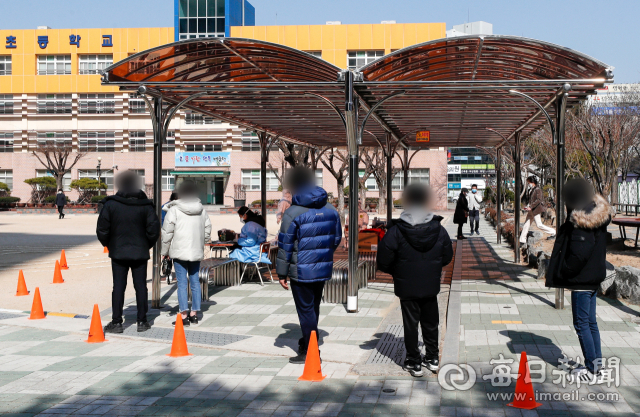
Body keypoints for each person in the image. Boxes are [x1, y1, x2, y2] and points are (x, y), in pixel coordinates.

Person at [377, 184, 453, 377]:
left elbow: (383, 259)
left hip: (406, 284)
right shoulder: (438, 229)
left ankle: (414, 361)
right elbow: (447, 256)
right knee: (430, 321)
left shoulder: (396, 230)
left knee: (410, 323)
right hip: (430, 283)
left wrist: (396, 271)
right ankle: (433, 358)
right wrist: (433, 267)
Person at [546, 179, 613, 382]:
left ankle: (592, 369)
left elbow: (578, 254)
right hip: (593, 277)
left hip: (582, 280)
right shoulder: (597, 214)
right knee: (591, 323)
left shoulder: (580, 221)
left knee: (582, 324)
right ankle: (597, 365)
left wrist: (566, 271)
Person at [277, 167, 342, 363]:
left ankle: (311, 352)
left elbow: (285, 246)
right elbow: (337, 238)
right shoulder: (331, 209)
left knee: (305, 310)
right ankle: (307, 342)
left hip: (301, 270)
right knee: (313, 307)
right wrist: (322, 254)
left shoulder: (292, 213)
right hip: (322, 268)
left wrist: (281, 273)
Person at [96, 171, 160, 333]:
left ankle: (117, 322)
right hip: (140, 252)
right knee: (140, 287)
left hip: (118, 252)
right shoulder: (146, 205)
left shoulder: (111, 204)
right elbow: (154, 230)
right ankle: (142, 321)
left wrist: (110, 244)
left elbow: (102, 229)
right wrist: (146, 245)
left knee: (118, 287)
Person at [161, 180, 212, 326]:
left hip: (178, 251)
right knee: (195, 282)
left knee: (182, 283)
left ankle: (183, 315)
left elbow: (167, 233)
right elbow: (208, 228)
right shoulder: (201, 209)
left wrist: (164, 252)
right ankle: (194, 314)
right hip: (195, 250)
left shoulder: (174, 209)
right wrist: (202, 241)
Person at [519, 176, 556, 246]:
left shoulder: (538, 189)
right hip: (531, 210)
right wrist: (528, 206)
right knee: (526, 224)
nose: (528, 183)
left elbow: (539, 200)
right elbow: (531, 200)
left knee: (539, 225)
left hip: (536, 210)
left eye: (529, 182)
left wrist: (530, 206)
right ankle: (522, 240)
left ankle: (553, 232)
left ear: (532, 182)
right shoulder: (532, 189)